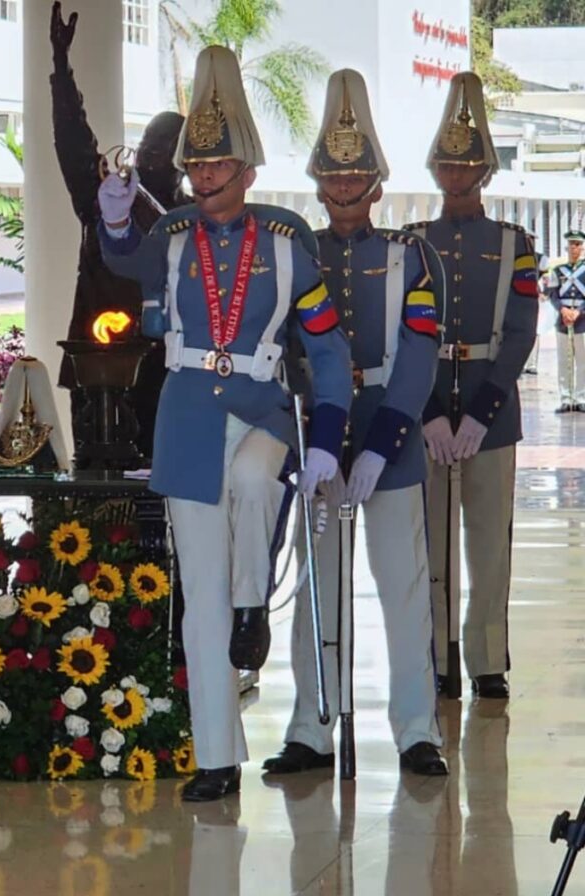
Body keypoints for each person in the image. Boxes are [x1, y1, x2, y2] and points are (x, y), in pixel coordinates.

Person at [98, 45, 352, 802]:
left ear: (247, 169)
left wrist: (331, 438)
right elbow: (124, 263)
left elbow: (328, 346)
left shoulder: (287, 247)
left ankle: (254, 607)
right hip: (186, 416)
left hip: (262, 406)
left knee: (252, 481)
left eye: (219, 166)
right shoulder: (171, 241)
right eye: (196, 167)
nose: (205, 179)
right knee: (196, 592)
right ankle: (216, 755)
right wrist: (114, 218)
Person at [262, 69, 446, 778]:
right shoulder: (293, 252)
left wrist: (383, 443)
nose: (344, 188)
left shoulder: (409, 256)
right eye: (334, 175)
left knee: (403, 587)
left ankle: (415, 731)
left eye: (357, 176)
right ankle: (311, 725)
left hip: (388, 440)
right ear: (316, 181)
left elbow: (420, 358)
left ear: (376, 183)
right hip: (316, 435)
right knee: (317, 588)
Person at [405, 72, 538, 701]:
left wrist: (483, 411)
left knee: (489, 546)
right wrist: (430, 409)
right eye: (447, 165)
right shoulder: (413, 244)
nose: (456, 175)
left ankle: (486, 657)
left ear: (484, 171)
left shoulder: (514, 246)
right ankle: (437, 659)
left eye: (467, 165)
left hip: (492, 411)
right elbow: (405, 336)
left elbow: (519, 332)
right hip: (424, 413)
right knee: (430, 544)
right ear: (435, 171)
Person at [50, 1, 187, 462]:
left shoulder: (194, 218)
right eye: (146, 146)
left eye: (163, 151)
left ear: (184, 162)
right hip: (96, 367)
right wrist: (61, 72)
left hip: (166, 375)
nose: (149, 157)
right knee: (96, 497)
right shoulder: (108, 198)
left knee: (158, 498)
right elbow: (75, 146)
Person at [548, 231, 585, 412]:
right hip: (563, 319)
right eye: (571, 244)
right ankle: (566, 398)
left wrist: (578, 311)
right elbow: (552, 293)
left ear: (582, 247)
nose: (574, 248)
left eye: (577, 244)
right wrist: (562, 310)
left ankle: (581, 398)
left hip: (582, 320)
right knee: (564, 360)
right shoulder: (558, 270)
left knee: (583, 361)